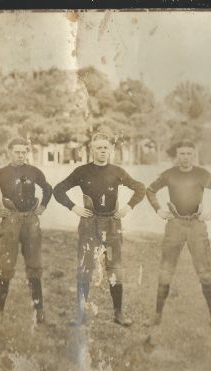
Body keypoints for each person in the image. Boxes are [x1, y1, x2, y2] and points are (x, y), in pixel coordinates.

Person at [53, 131, 145, 326]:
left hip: (112, 225)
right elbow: (58, 190)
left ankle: (118, 314)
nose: (102, 151)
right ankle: (81, 314)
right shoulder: (82, 171)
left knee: (115, 268)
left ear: (110, 150)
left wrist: (128, 207)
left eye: (105, 148)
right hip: (89, 225)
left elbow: (140, 188)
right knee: (85, 267)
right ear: (92, 150)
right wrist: (75, 207)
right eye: (99, 148)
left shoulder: (118, 172)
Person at [145, 140, 211, 329]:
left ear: (194, 154)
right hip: (174, 224)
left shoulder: (202, 174)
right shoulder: (169, 174)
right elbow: (150, 190)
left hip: (196, 225)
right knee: (166, 269)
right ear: (177, 154)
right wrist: (159, 210)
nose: (185, 157)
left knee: (205, 271)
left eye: (188, 154)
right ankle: (157, 315)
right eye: (181, 153)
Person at [0, 138, 53, 328]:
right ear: (9, 152)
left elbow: (48, 189)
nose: (21, 155)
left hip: (31, 220)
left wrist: (43, 207)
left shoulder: (34, 171)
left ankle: (39, 312)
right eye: (17, 152)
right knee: (6, 266)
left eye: (24, 152)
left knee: (35, 266)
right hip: (11, 221)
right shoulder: (1, 173)